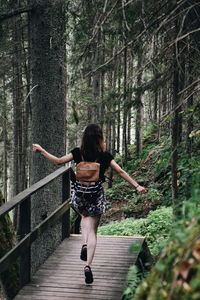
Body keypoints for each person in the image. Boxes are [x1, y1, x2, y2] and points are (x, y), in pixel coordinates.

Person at [32, 123, 147, 284]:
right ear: (100, 138)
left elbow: (58, 161)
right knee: (93, 230)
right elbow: (120, 171)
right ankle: (88, 266)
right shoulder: (105, 156)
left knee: (84, 221)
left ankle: (84, 244)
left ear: (84, 137)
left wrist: (41, 150)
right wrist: (137, 185)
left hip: (79, 195)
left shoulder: (77, 153)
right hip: (95, 196)